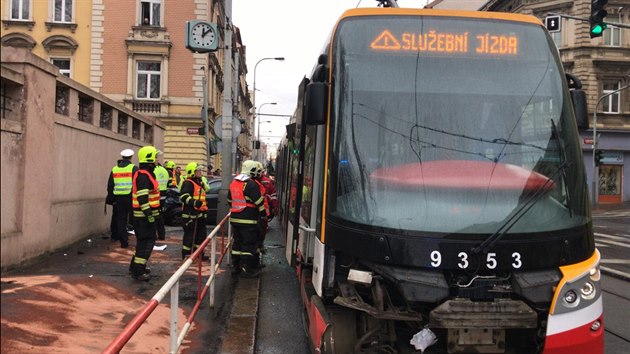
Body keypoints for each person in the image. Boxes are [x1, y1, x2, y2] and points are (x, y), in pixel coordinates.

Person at [228, 160, 267, 277]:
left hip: (235, 219)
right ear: (252, 170)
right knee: (248, 245)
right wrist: (264, 215)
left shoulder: (234, 183)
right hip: (249, 220)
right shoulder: (250, 184)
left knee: (237, 244)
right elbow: (259, 202)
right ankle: (247, 269)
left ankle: (236, 268)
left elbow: (229, 200)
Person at [129, 145, 161, 281]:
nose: (157, 160)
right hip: (144, 217)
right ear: (149, 159)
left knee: (143, 242)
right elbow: (142, 199)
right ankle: (138, 271)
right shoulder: (143, 176)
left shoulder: (146, 174)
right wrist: (149, 215)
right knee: (147, 243)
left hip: (143, 216)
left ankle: (136, 266)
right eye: (155, 157)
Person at [106, 149, 137, 248]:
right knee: (135, 218)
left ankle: (123, 242)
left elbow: (110, 185)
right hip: (130, 196)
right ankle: (140, 240)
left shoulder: (115, 169)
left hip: (118, 197)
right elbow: (137, 182)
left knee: (121, 219)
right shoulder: (133, 168)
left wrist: (112, 198)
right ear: (131, 157)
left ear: (122, 157)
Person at [179, 162, 209, 260]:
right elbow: (183, 197)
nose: (200, 172)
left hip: (199, 214)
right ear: (192, 172)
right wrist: (194, 202)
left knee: (201, 236)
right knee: (190, 237)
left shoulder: (199, 182)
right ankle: (186, 254)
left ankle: (198, 254)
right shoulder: (188, 183)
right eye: (198, 170)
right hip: (190, 215)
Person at [153, 153, 170, 240]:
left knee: (154, 216)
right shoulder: (164, 170)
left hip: (155, 195)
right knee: (161, 216)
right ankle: (162, 234)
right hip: (163, 194)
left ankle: (154, 234)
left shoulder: (153, 170)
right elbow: (168, 182)